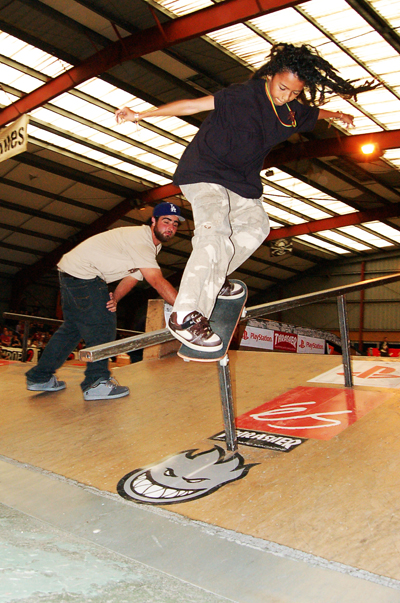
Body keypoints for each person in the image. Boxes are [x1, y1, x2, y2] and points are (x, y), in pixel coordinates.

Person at [116, 43, 376, 353]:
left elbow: (316, 112)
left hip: (240, 181)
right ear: (271, 76)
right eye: (281, 88)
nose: (285, 96)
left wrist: (340, 114)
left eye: (293, 93)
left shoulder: (293, 111)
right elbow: (193, 105)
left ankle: (216, 274)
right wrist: (142, 114)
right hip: (204, 171)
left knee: (257, 226)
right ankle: (185, 316)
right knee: (215, 231)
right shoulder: (243, 94)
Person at [26, 203, 183, 400]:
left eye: (175, 225)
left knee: (72, 329)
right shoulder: (141, 241)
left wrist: (115, 297)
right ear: (153, 221)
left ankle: (39, 377)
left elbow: (133, 277)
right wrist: (186, 309)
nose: (170, 228)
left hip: (72, 273)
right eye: (166, 222)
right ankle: (96, 382)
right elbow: (157, 281)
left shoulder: (153, 245)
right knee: (103, 326)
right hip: (85, 275)